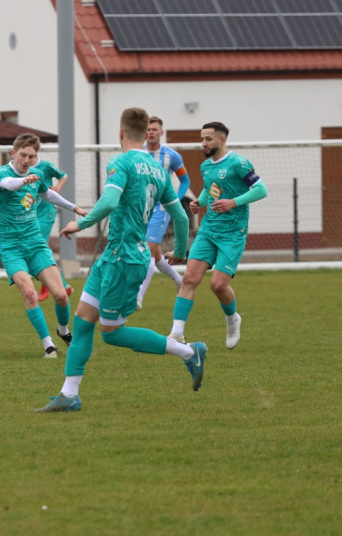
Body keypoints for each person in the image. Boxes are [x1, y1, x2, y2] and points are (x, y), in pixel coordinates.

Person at [36, 108, 206, 413]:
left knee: (112, 333)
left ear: (120, 132)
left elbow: (110, 201)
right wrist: (181, 251)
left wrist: (80, 224)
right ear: (144, 133)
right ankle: (69, 394)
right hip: (114, 256)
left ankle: (188, 352)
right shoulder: (158, 170)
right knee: (83, 321)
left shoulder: (121, 162)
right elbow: (181, 216)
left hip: (125, 259)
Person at [166, 121, 268, 349]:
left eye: (208, 139)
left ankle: (232, 319)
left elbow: (261, 190)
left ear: (222, 139)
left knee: (218, 285)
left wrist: (234, 202)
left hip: (232, 233)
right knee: (189, 278)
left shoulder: (238, 163)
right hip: (208, 230)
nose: (203, 143)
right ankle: (177, 333)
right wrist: (199, 202)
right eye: (202, 139)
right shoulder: (205, 166)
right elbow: (210, 188)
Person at [0, 133, 87, 358]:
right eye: (22, 155)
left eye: (31, 156)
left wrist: (74, 208)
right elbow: (9, 185)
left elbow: (48, 195)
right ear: (13, 153)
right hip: (12, 247)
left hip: (36, 244)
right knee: (30, 294)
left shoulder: (38, 174)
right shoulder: (3, 174)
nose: (26, 160)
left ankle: (63, 331)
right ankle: (48, 345)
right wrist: (24, 181)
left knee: (61, 295)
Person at [135, 116, 190, 309]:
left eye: (155, 129)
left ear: (161, 132)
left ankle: (138, 296)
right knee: (156, 254)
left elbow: (185, 180)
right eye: (148, 129)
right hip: (141, 207)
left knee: (149, 249)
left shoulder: (171, 156)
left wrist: (174, 200)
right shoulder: (138, 153)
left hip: (161, 208)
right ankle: (179, 280)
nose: (151, 132)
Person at [32, 155, 73, 302]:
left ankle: (47, 285)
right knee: (42, 249)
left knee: (39, 248)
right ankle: (63, 285)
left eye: (30, 154)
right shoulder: (22, 169)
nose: (27, 158)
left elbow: (63, 175)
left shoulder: (46, 166)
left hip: (46, 213)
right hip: (32, 213)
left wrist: (57, 189)